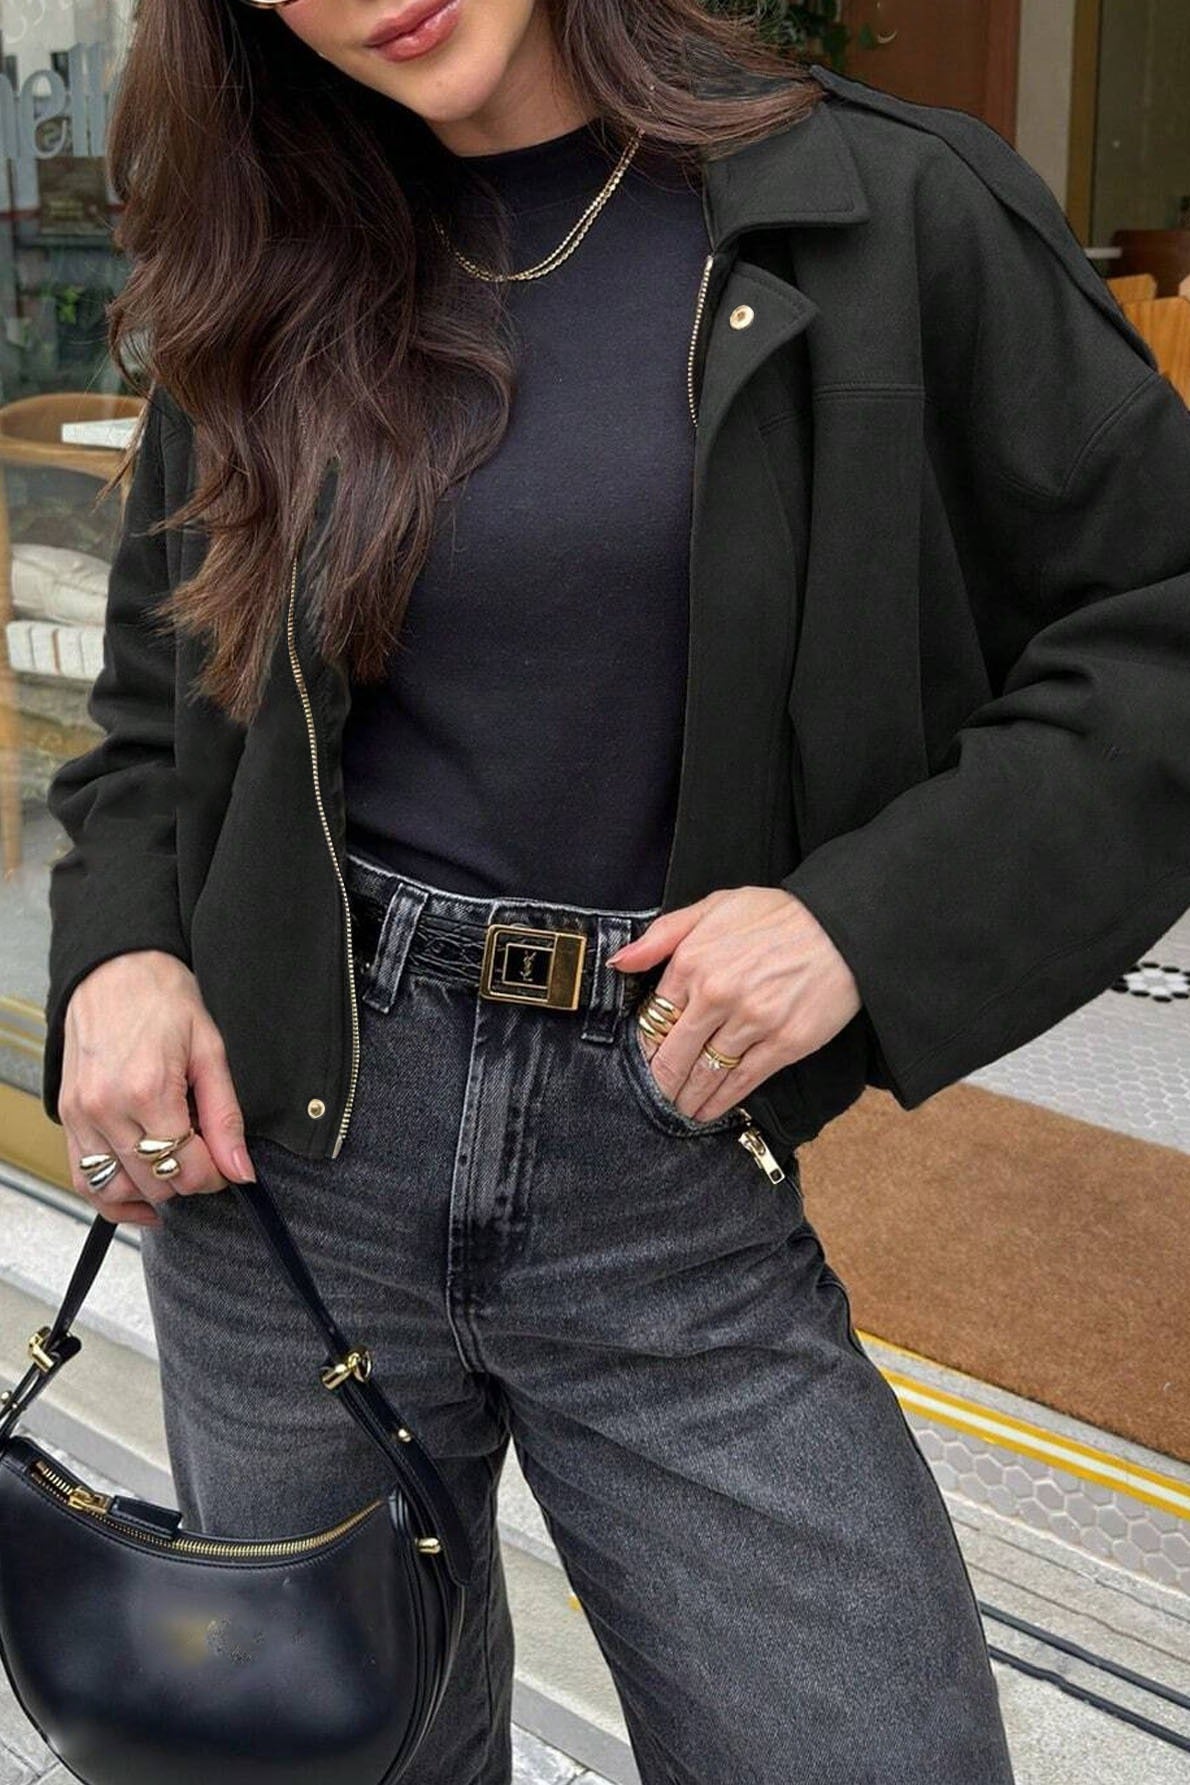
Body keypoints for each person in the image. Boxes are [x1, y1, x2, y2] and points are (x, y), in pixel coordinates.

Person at [41, 1, 1190, 1781]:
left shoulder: (887, 207)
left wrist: (862, 919)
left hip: (660, 1156)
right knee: (319, 1759)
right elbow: (157, 698)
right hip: (287, 1155)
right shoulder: (270, 236)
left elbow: (1157, 632)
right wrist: (120, 952)